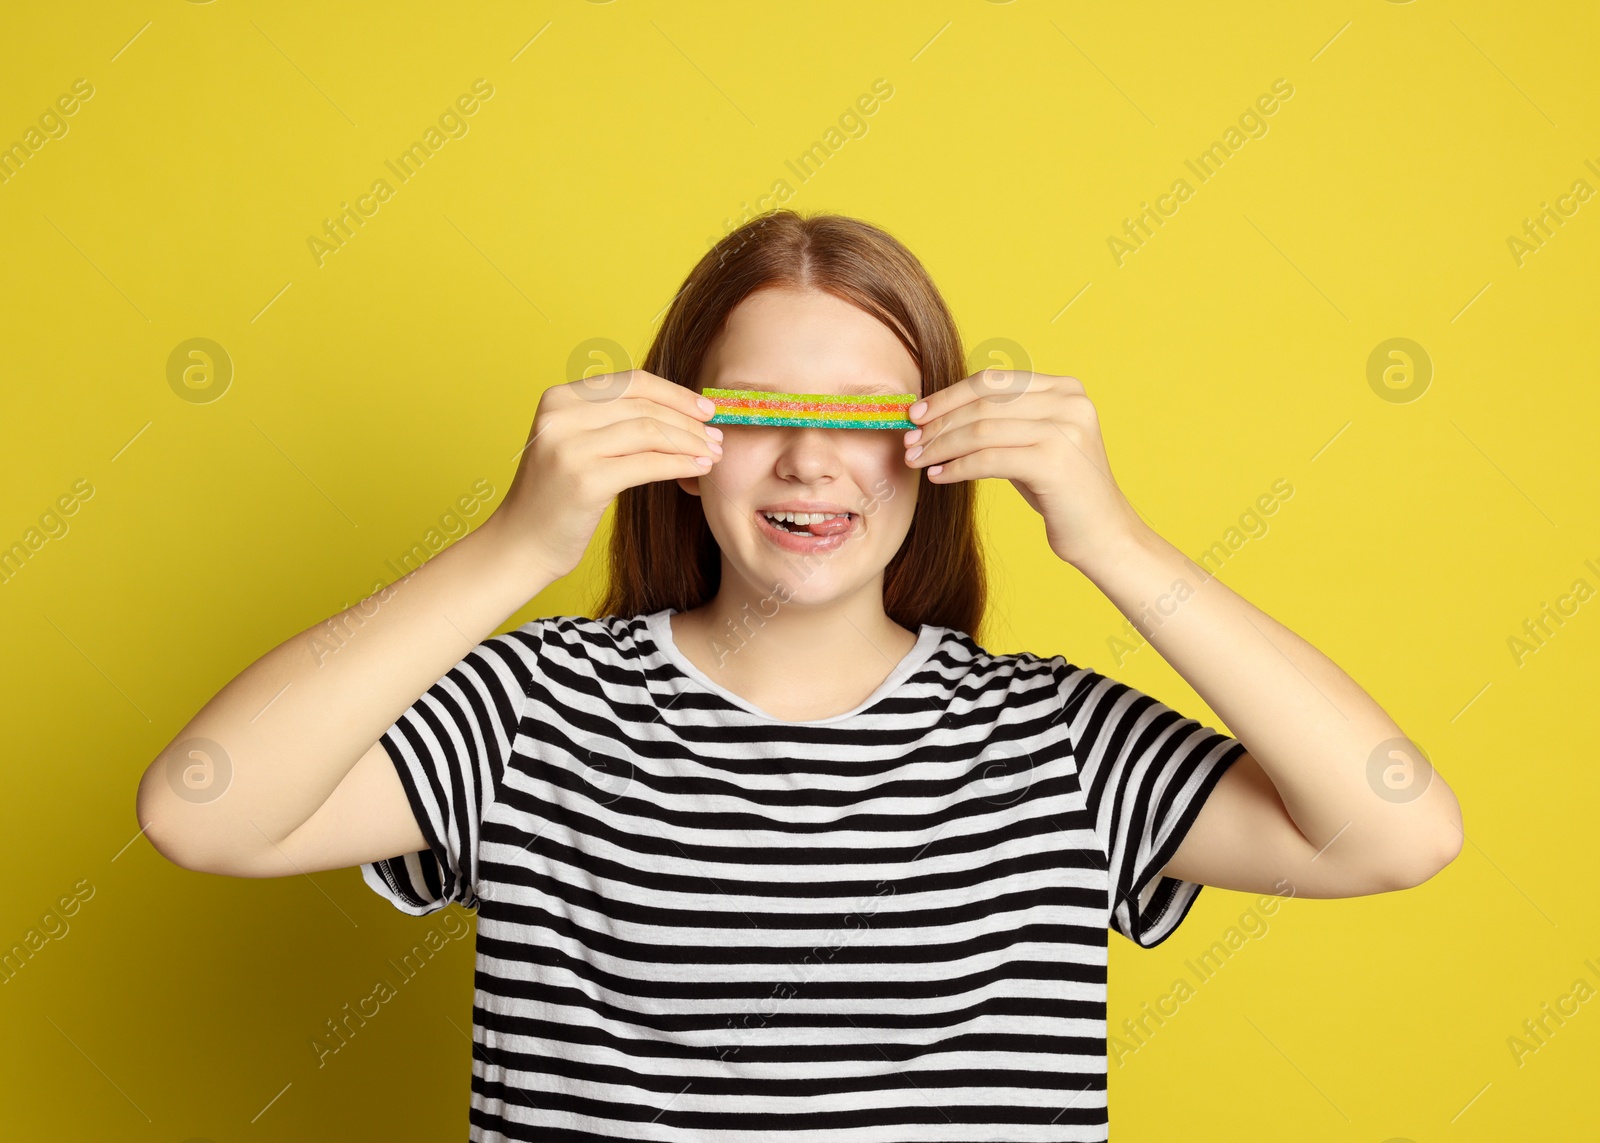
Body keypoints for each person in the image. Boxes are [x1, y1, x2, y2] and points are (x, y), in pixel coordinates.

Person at [136, 209, 1463, 1141]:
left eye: (867, 423)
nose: (813, 467)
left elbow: (1399, 831)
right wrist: (513, 548)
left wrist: (1111, 539)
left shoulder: (1055, 740)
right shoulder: (534, 711)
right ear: (675, 441)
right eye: (760, 416)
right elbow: (203, 810)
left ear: (942, 446)